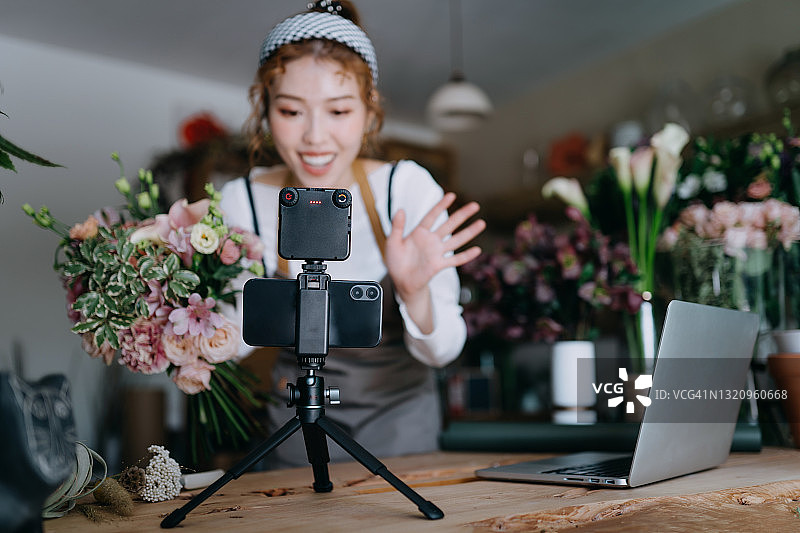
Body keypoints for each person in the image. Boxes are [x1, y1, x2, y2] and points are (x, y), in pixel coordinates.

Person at [220, 0, 485, 468]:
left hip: (402, 422)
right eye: (291, 111)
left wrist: (414, 291)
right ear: (265, 110)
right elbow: (233, 339)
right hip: (295, 423)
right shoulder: (243, 200)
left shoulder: (403, 188)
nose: (315, 138)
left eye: (339, 111)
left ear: (369, 112)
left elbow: (443, 352)